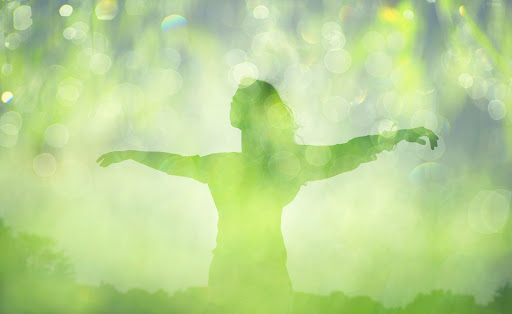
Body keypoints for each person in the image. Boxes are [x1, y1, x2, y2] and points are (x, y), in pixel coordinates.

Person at [97, 80, 439, 313]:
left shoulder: (278, 165)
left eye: (238, 99)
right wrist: (131, 154)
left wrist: (399, 135)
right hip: (233, 279)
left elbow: (345, 152)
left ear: (253, 112)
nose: (230, 101)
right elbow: (173, 163)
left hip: (260, 281)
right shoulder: (241, 165)